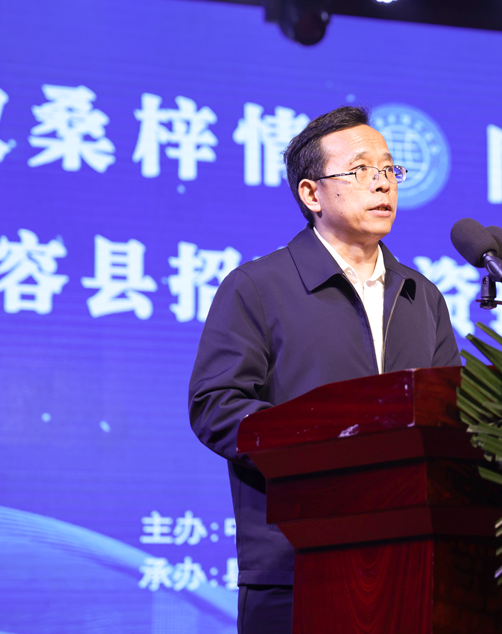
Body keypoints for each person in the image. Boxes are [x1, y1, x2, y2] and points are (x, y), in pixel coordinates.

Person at [188, 106, 461, 634]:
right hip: (296, 566)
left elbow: (451, 419)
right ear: (312, 194)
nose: (382, 183)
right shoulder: (258, 287)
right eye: (360, 170)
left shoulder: (421, 296)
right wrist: (325, 448)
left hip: (411, 569)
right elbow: (215, 406)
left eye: (389, 168)